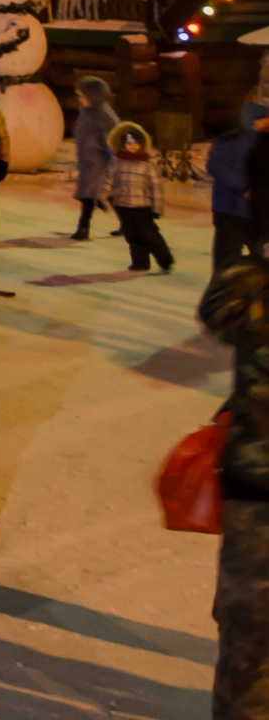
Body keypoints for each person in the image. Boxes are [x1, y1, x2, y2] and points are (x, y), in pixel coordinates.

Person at [196, 258, 269, 716]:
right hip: (257, 490)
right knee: (248, 639)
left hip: (258, 490)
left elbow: (219, 312)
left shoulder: (254, 288)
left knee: (249, 640)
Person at [106, 119, 176, 273]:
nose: (132, 146)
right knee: (132, 235)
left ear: (141, 144)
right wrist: (102, 195)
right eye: (129, 143)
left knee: (149, 234)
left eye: (135, 143)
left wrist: (157, 208)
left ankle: (165, 259)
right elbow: (109, 179)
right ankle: (140, 262)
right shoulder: (117, 162)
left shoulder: (146, 165)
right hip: (123, 205)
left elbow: (156, 188)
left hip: (142, 206)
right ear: (123, 144)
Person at [215, 101, 262, 269]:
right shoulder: (229, 141)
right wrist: (247, 186)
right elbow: (215, 166)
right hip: (230, 210)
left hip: (258, 213)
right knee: (226, 261)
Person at [70, 74, 117, 239]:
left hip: (100, 164)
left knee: (89, 196)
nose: (80, 99)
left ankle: (83, 229)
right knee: (108, 196)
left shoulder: (104, 115)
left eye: (82, 95)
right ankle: (127, 224)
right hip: (87, 163)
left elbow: (113, 139)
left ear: (93, 96)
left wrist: (113, 162)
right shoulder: (86, 112)